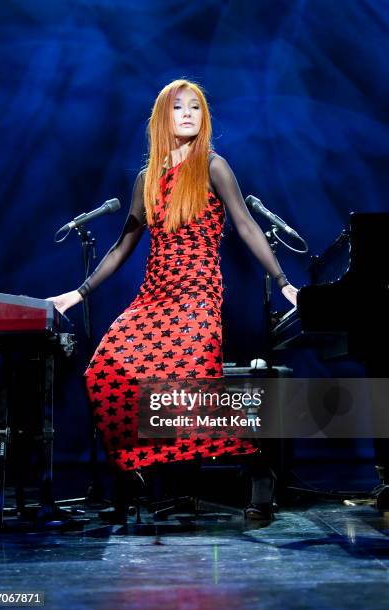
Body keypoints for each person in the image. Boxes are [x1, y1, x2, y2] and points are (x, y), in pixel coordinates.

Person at [47, 78, 298, 521]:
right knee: (104, 372)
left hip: (198, 294)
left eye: (195, 108)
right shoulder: (147, 178)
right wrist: (77, 293)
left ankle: (258, 467)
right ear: (162, 117)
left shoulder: (214, 166)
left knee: (191, 392)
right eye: (178, 107)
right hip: (154, 295)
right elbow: (122, 245)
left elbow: (245, 226)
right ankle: (134, 473)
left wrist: (283, 283)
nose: (187, 113)